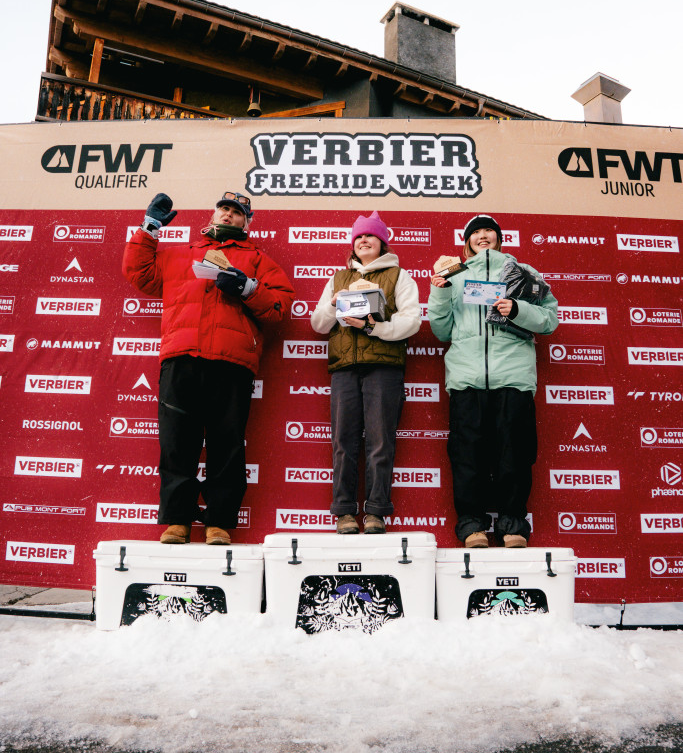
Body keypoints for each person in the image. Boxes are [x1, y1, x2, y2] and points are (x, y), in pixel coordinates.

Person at [123, 191, 294, 544]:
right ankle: (178, 520)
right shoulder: (181, 254)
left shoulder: (259, 260)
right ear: (213, 214)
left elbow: (280, 306)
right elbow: (138, 273)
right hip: (181, 356)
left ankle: (219, 521)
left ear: (247, 222)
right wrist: (149, 228)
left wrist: (247, 288)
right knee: (176, 443)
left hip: (232, 361)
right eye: (224, 209)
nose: (229, 216)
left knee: (227, 444)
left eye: (237, 213)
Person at [428, 214, 558, 549]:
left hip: (513, 374)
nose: (483, 236)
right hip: (466, 376)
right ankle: (473, 526)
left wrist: (516, 309)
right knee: (467, 456)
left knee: (513, 454)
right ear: (467, 240)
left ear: (499, 238)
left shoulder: (523, 272)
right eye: (476, 232)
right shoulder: (454, 274)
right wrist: (440, 292)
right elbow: (442, 331)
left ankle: (512, 524)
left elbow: (549, 320)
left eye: (489, 231)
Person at [311, 212, 420, 534]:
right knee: (343, 442)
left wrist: (375, 326)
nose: (363, 241)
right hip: (344, 369)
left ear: (382, 242)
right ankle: (344, 512)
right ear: (353, 245)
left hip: (384, 368)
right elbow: (319, 324)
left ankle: (375, 512)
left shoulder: (400, 275)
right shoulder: (338, 277)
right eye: (358, 237)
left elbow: (412, 321)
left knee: (380, 442)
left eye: (370, 236)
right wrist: (333, 304)